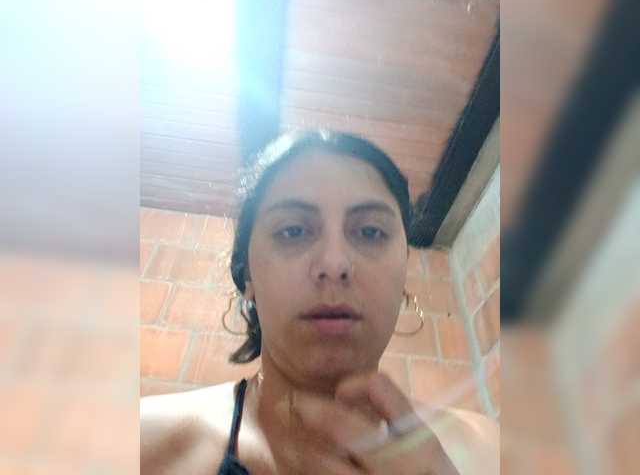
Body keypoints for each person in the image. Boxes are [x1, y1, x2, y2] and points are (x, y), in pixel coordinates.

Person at [140, 130, 498, 474]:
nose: (334, 263)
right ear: (247, 275)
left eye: (370, 232)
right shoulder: (140, 443)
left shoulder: (488, 453)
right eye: (293, 231)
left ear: (404, 268)